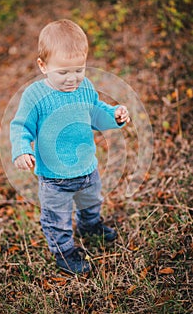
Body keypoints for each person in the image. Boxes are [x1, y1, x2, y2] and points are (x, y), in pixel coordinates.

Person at [10, 19, 130, 275]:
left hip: (87, 168)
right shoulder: (35, 96)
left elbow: (96, 113)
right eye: (63, 72)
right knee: (57, 219)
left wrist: (114, 115)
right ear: (43, 66)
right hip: (54, 178)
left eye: (79, 69)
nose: (72, 78)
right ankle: (64, 253)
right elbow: (20, 126)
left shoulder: (85, 87)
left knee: (91, 202)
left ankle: (90, 226)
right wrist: (22, 149)